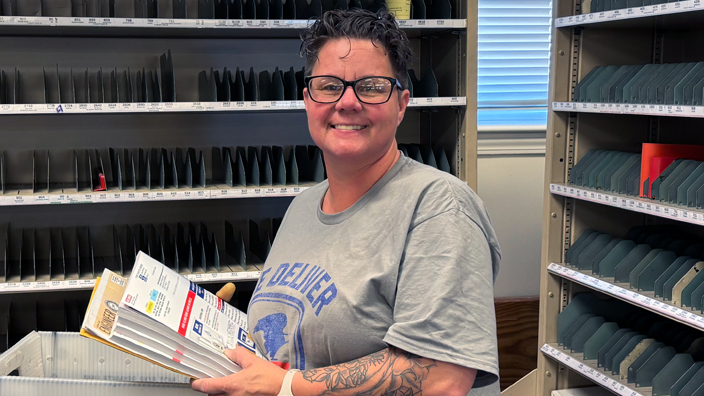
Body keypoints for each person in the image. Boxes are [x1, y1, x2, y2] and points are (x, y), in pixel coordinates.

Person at [192, 8, 501, 396]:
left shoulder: (439, 207)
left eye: (371, 86)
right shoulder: (302, 208)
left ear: (401, 104)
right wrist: (219, 325)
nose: (347, 102)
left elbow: (440, 378)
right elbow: (293, 345)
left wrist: (284, 386)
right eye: (328, 85)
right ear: (308, 100)